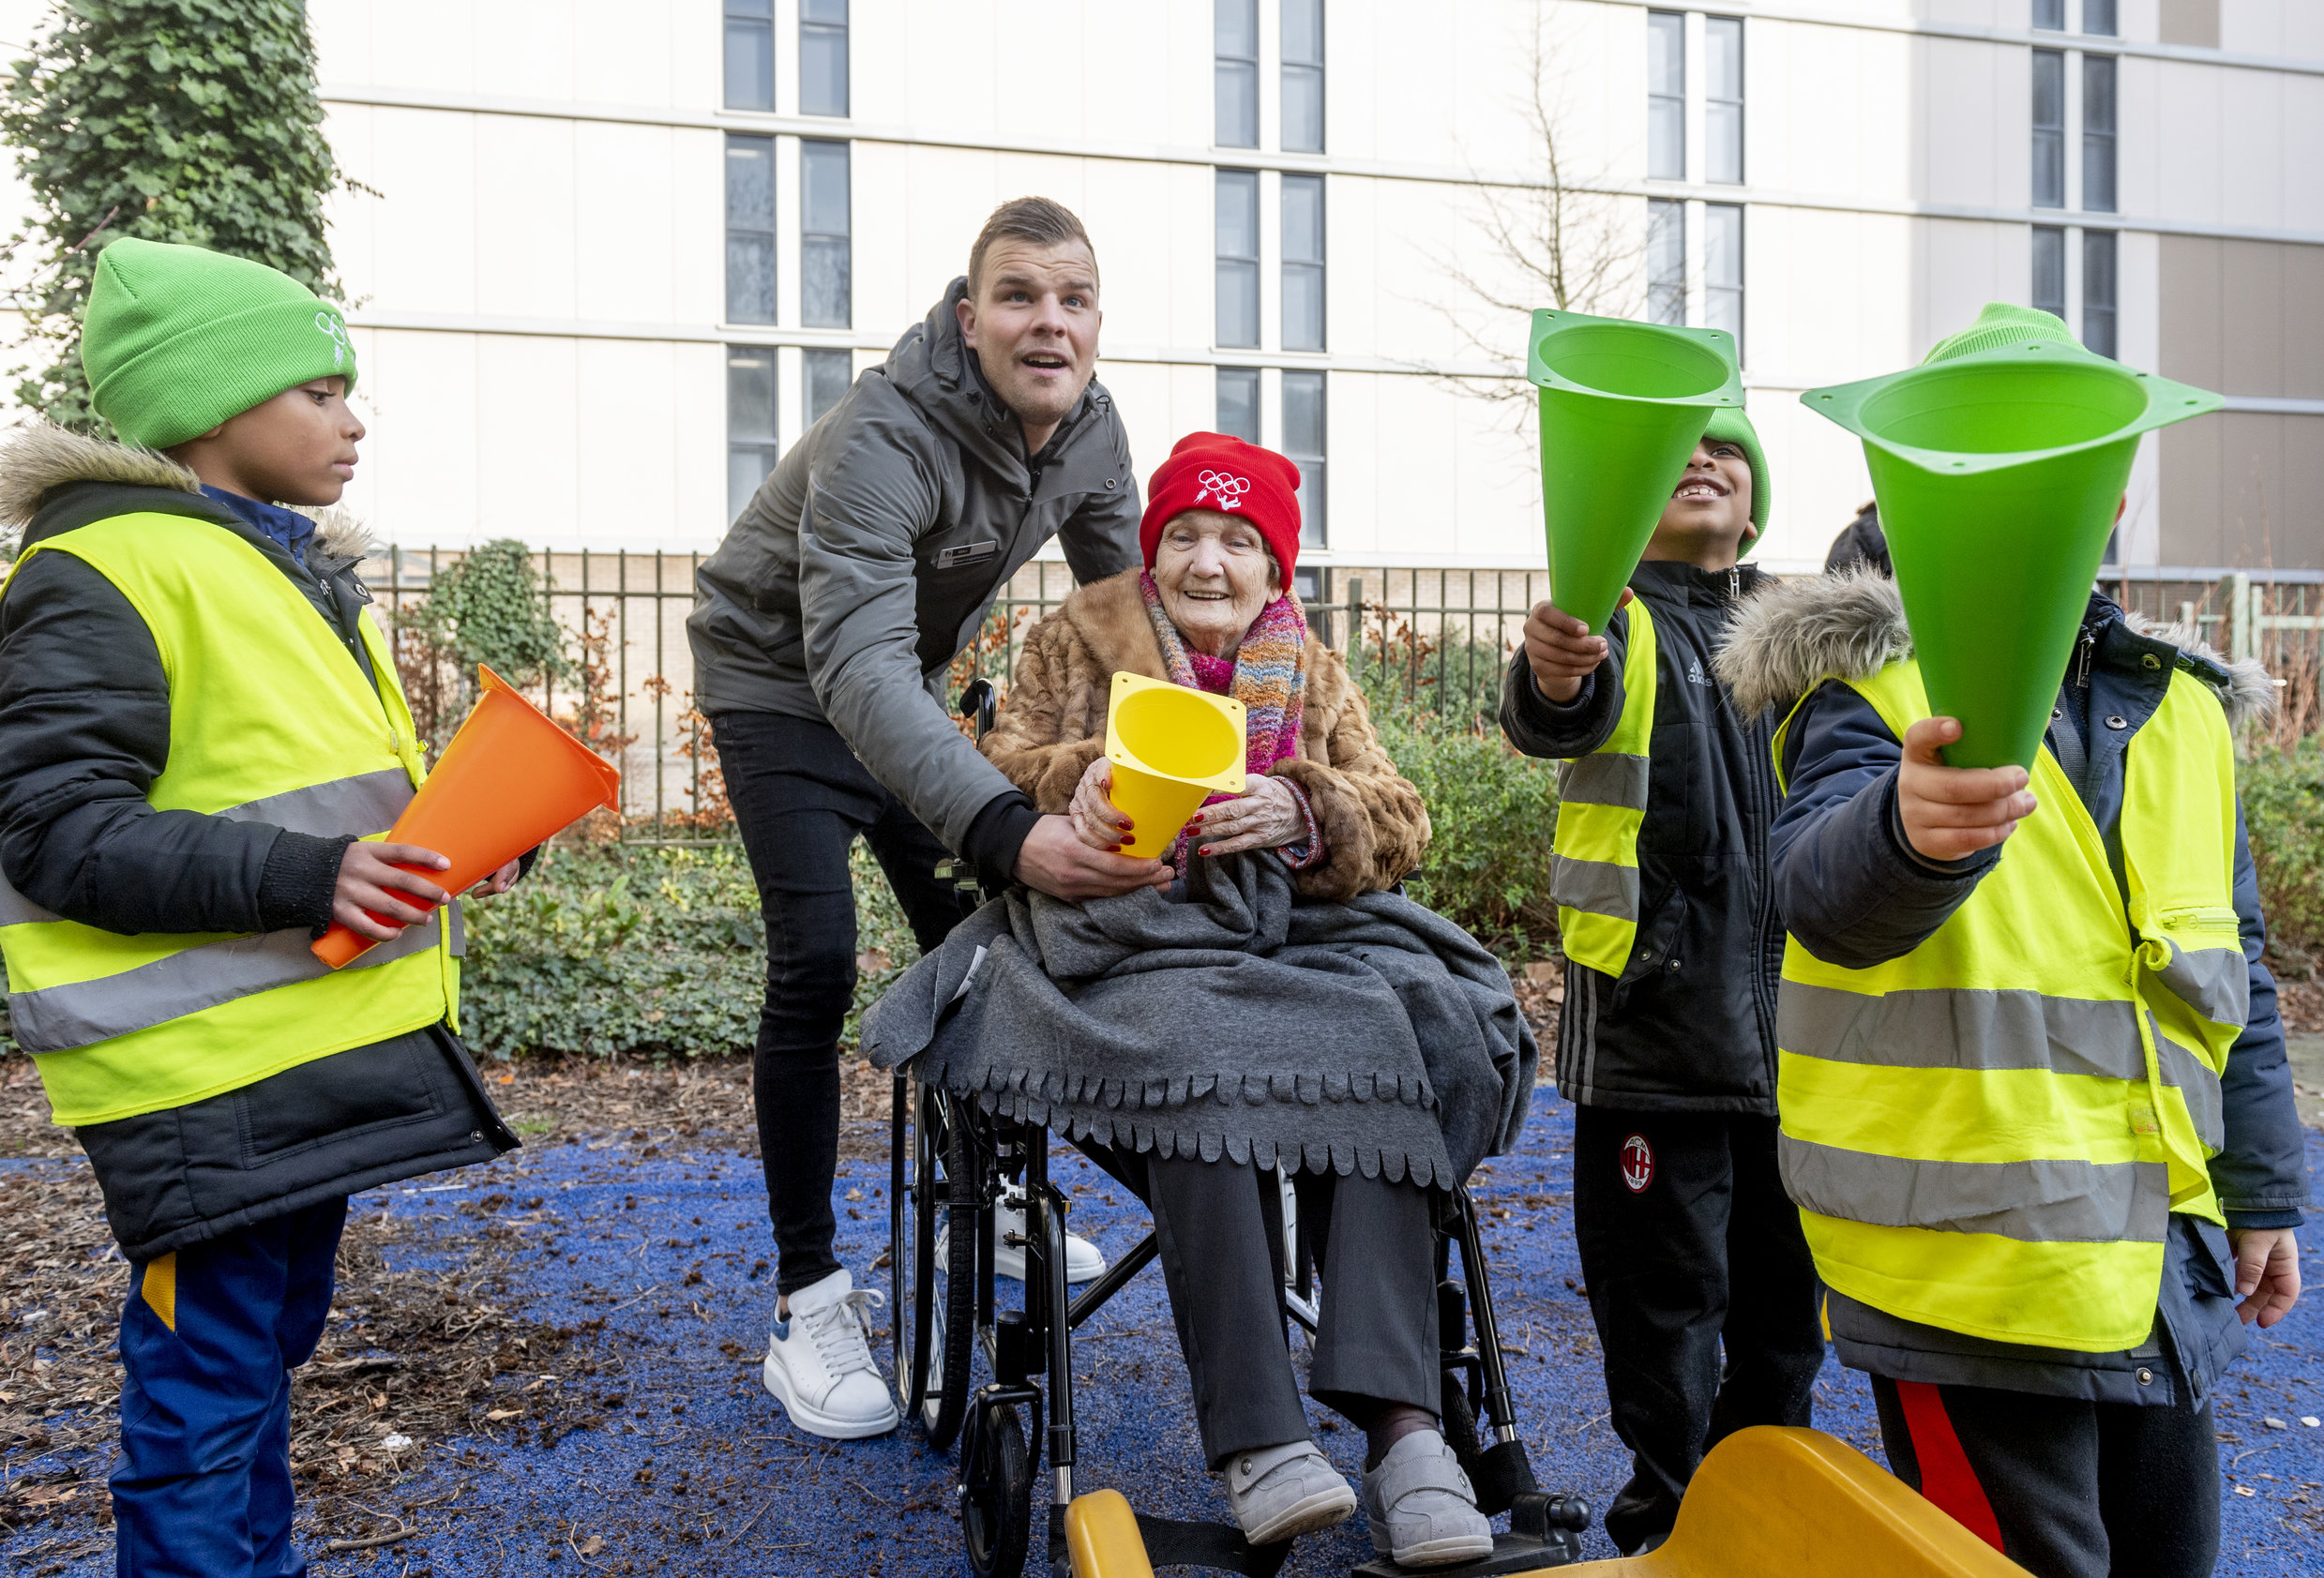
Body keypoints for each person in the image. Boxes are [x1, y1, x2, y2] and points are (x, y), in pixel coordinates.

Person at [867, 433, 1534, 1568]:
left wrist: (1304, 808)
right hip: (1126, 933)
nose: (1209, 562)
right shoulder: (1077, 634)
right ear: (1154, 550)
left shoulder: (1310, 670)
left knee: (1391, 1036)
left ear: (1276, 571)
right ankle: (1261, 1444)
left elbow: (1400, 811)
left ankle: (1405, 1432)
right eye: (1184, 536)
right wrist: (1079, 785)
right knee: (1194, 1060)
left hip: (1289, 935)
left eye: (1239, 541)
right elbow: (999, 762)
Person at [1719, 303, 2306, 1578]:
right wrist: (1907, 832)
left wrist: (2259, 1189)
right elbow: (1820, 890)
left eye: (2072, 456)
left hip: (2152, 1262)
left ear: (2115, 495)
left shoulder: (2183, 711)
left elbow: (2233, 965)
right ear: (1908, 477)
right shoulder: (1871, 685)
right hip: (1966, 1270)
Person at [0, 238, 521, 1577]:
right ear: (215, 405)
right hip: (198, 1076)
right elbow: (55, 830)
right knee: (204, 1390)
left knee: (252, 1362)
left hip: (281, 1056)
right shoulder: (105, 569)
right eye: (321, 388)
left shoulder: (269, 562)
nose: (353, 421)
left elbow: (297, 794)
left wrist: (451, 844)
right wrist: (313, 878)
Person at [687, 196, 1146, 1439]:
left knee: (983, 933)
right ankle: (807, 1297)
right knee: (820, 955)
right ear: (970, 317)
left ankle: (989, 1196)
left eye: (1073, 298)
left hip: (892, 684)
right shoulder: (885, 432)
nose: (1047, 321)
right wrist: (1003, 819)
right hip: (781, 685)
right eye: (1018, 295)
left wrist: (1169, 767)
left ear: (1096, 320)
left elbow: (1125, 620)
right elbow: (857, 670)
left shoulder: (1093, 433)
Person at [1497, 409, 1824, 1556]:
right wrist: (1553, 668)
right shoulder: (1608, 614)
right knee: (1662, 1308)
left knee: (1789, 1314)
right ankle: (1668, 1522)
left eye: (1725, 448)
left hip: (1802, 1036)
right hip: (1655, 1025)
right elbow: (1552, 708)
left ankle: (1757, 1510)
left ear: (1756, 495)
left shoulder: (1810, 631)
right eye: (1676, 451)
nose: (1701, 461)